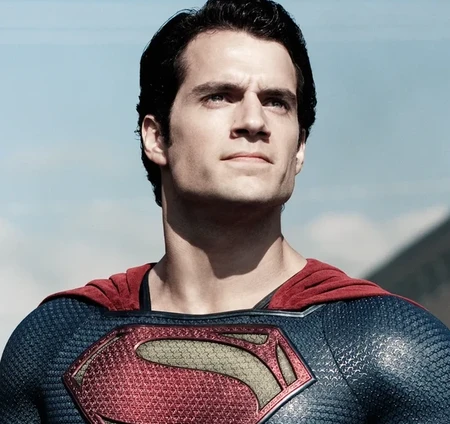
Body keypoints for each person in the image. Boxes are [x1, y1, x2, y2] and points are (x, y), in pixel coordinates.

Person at [1, 0, 449, 422]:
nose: (254, 121)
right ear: (156, 137)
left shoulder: (394, 347)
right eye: (219, 96)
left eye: (276, 102)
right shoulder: (52, 341)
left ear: (299, 149)